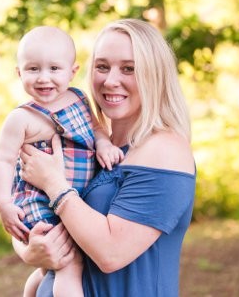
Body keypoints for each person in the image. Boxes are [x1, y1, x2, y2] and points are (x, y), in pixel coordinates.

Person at [15, 19, 195, 296]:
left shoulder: (165, 150)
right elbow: (28, 203)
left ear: (154, 75)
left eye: (128, 69)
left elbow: (111, 252)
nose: (110, 81)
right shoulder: (94, 148)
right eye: (102, 67)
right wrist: (31, 251)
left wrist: (53, 182)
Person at [0, 26, 123, 297]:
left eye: (54, 68)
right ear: (19, 72)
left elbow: (97, 128)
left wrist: (104, 143)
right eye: (33, 69)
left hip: (71, 194)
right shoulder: (21, 118)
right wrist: (3, 204)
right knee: (69, 264)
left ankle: (33, 291)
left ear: (72, 72)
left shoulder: (78, 98)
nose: (44, 78)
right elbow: (4, 161)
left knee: (49, 269)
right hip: (41, 200)